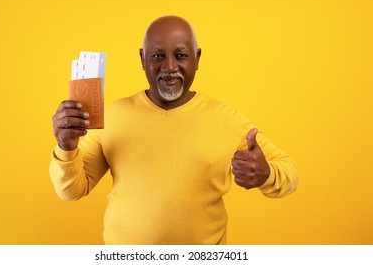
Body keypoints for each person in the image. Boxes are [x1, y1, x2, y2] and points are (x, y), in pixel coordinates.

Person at [50, 15, 298, 245]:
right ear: (142, 58)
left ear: (197, 58)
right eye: (158, 56)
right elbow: (71, 191)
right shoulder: (113, 116)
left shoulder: (227, 119)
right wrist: (67, 148)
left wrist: (266, 175)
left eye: (181, 55)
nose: (169, 67)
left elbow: (290, 172)